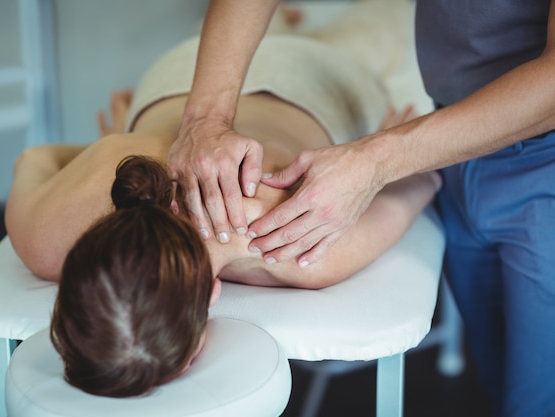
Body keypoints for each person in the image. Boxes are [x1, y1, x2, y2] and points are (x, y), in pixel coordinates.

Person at [4, 25, 440, 397]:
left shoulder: (302, 248)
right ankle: (286, 21)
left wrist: (381, 147)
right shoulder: (44, 240)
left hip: (315, 80)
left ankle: (292, 23)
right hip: (181, 71)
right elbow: (33, 160)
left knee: (382, 29)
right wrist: (113, 149)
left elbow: (425, 180)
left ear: (211, 296)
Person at [168, 0, 555, 415]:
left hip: (532, 150)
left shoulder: (298, 250)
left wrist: (381, 158)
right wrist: (205, 118)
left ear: (210, 296)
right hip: (455, 135)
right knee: (505, 380)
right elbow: (426, 178)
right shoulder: (294, 249)